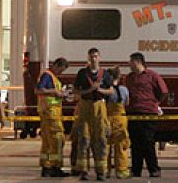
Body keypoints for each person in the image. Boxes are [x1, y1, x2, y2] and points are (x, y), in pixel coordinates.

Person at [125, 52, 168, 179]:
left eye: (131, 61)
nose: (129, 64)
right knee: (135, 142)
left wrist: (155, 103)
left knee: (148, 141)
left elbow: (164, 91)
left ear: (138, 62)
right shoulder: (129, 78)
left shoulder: (152, 75)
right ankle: (136, 169)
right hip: (133, 112)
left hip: (148, 113)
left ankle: (153, 169)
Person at [74, 48, 114, 181]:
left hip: (100, 107)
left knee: (101, 140)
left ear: (99, 58)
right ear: (88, 58)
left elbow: (111, 91)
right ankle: (83, 170)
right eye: (91, 57)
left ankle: (101, 171)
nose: (93, 59)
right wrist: (90, 89)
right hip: (85, 106)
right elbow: (76, 91)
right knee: (84, 139)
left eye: (96, 56)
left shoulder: (105, 74)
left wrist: (100, 89)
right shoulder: (82, 73)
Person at [36, 57, 70, 178]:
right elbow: (38, 90)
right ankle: (55, 166)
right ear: (56, 65)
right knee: (57, 139)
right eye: (61, 70)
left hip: (49, 113)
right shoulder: (47, 75)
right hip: (51, 113)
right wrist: (56, 92)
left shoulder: (51, 77)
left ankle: (46, 166)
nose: (61, 73)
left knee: (47, 142)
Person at [105, 66, 130, 180]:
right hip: (121, 120)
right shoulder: (124, 90)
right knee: (121, 146)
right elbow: (127, 103)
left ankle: (105, 171)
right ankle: (121, 171)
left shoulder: (106, 91)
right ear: (119, 77)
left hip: (107, 119)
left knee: (106, 147)